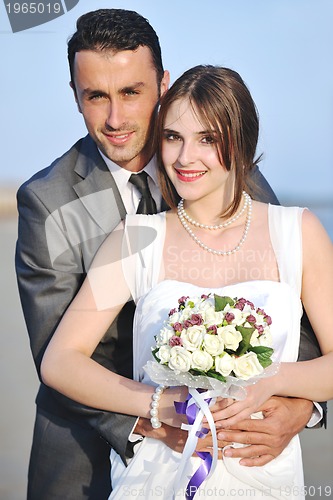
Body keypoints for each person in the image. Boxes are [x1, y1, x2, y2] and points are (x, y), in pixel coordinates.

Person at [15, 8, 323, 500]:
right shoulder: (48, 203)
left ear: (162, 83)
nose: (115, 119)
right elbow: (58, 354)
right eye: (97, 96)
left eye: (132, 92)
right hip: (91, 462)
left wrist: (300, 404)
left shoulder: (227, 170)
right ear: (75, 97)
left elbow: (289, 303)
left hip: (249, 453)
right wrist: (159, 417)